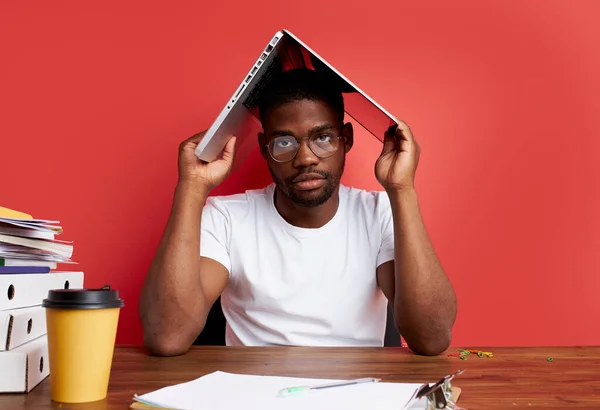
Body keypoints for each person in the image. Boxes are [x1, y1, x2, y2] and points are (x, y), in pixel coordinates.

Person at [139, 68, 457, 356]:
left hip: (357, 394)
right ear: (265, 147)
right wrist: (191, 187)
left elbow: (431, 338)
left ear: (346, 138)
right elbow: (167, 337)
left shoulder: (378, 213)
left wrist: (402, 191)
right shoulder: (227, 218)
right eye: (284, 142)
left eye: (322, 138)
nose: (305, 158)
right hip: (252, 394)